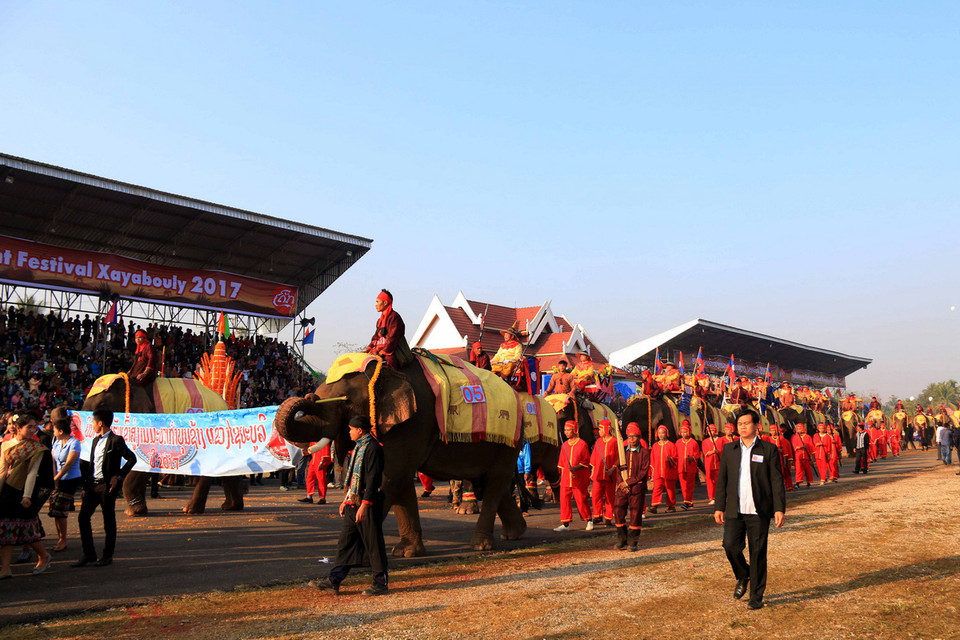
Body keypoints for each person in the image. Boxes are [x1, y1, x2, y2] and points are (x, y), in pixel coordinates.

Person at [714, 409, 786, 611]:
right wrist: (719, 506)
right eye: (740, 424)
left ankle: (756, 596)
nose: (743, 426)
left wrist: (779, 508)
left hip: (758, 510)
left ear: (756, 426)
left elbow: (776, 481)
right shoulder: (729, 449)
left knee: (758, 553)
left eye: (747, 423)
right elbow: (722, 480)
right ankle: (743, 574)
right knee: (730, 546)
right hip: (735, 510)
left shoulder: (768, 450)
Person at [314, 415, 388, 595]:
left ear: (360, 430)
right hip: (352, 502)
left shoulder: (373, 448)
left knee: (373, 543)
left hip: (367, 502)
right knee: (345, 542)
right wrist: (346, 500)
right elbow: (354, 479)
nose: (349, 433)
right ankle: (334, 579)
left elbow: (373, 479)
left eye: (351, 430)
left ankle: (380, 583)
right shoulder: (358, 448)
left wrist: (365, 505)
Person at [73, 409, 136, 568]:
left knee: (108, 520)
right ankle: (89, 554)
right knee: (83, 517)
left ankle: (107, 555)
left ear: (100, 423)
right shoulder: (95, 440)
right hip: (93, 485)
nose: (92, 425)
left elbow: (132, 459)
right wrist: (86, 486)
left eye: (93, 422)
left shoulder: (116, 440)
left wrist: (118, 476)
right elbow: (93, 464)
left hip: (107, 486)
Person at [0, 414, 53, 578]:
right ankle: (6, 568)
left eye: (34, 427)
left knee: (28, 531)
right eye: (29, 427)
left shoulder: (36, 448)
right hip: (9, 490)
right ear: (18, 428)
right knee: (7, 529)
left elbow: (32, 473)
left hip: (26, 492)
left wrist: (27, 496)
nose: (33, 430)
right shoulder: (6, 445)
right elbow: (2, 470)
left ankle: (43, 555)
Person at [48, 409, 82, 552]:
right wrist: (55, 479)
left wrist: (56, 478)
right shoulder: (56, 443)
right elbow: (53, 462)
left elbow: (68, 464)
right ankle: (60, 538)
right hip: (58, 479)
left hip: (70, 479)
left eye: (55, 430)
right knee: (55, 510)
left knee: (61, 510)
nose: (53, 432)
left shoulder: (74, 443)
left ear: (61, 431)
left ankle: (63, 539)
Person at [613, 424, 650, 552]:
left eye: (634, 436)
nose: (631, 439)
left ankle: (633, 542)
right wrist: (621, 484)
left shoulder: (644, 452)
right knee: (618, 512)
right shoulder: (623, 451)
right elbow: (618, 469)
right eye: (629, 437)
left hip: (636, 488)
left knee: (635, 514)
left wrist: (628, 483)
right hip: (622, 489)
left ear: (639, 437)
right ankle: (622, 539)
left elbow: (643, 473)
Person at [553, 421, 592, 532]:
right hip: (566, 478)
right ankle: (565, 524)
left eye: (568, 430)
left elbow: (586, 460)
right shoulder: (564, 445)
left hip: (578, 478)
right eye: (565, 430)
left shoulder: (582, 444)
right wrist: (561, 476)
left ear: (574, 430)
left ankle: (589, 520)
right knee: (564, 501)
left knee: (581, 500)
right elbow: (561, 463)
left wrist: (576, 467)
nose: (566, 432)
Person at [364, 289, 405, 369]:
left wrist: (381, 352)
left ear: (385, 303)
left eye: (377, 302)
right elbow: (376, 337)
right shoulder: (380, 320)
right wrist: (368, 349)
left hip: (393, 350)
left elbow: (392, 339)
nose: (375, 305)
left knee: (389, 361)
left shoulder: (394, 317)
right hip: (381, 349)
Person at [589, 418, 618, 526]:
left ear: (606, 429)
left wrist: (613, 468)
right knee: (596, 495)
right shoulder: (598, 442)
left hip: (610, 474)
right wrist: (592, 472)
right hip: (598, 473)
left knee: (610, 496)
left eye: (601, 429)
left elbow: (618, 457)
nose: (599, 432)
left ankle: (608, 517)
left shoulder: (615, 441)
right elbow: (594, 458)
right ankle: (597, 515)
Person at [648, 425, 678, 514]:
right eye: (659, 433)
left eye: (663, 433)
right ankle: (654, 505)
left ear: (666, 433)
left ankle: (671, 506)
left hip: (668, 471)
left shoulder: (671, 445)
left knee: (670, 489)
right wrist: (652, 471)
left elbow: (676, 458)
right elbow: (652, 459)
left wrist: (671, 459)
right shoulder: (655, 446)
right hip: (658, 471)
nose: (661, 435)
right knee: (657, 487)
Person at [676, 422, 701, 510]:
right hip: (681, 467)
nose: (683, 434)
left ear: (689, 432)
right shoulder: (678, 442)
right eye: (682, 432)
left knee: (690, 485)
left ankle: (687, 502)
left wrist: (692, 458)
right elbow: (675, 454)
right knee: (683, 486)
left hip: (691, 467)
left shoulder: (694, 443)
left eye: (685, 432)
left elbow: (697, 454)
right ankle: (689, 502)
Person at [763, 424, 794, 491]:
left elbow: (785, 450)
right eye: (771, 430)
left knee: (785, 473)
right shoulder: (768, 439)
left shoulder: (782, 439)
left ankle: (789, 486)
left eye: (773, 430)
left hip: (781, 458)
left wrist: (786, 459)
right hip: (773, 459)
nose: (772, 432)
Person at [701, 423, 723, 505]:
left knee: (718, 481)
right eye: (709, 431)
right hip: (709, 464)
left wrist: (718, 451)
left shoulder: (720, 440)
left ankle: (718, 497)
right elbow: (705, 453)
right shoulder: (705, 441)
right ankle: (711, 497)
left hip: (718, 463)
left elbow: (723, 450)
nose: (710, 433)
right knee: (709, 481)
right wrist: (713, 451)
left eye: (712, 431)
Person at [791, 424, 814, 488]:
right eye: (797, 429)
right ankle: (798, 482)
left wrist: (812, 456)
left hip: (806, 455)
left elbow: (811, 446)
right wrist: (799, 447)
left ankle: (809, 481)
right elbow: (794, 446)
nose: (798, 430)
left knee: (808, 469)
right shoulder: (794, 437)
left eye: (800, 428)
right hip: (798, 455)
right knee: (798, 469)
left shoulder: (807, 437)